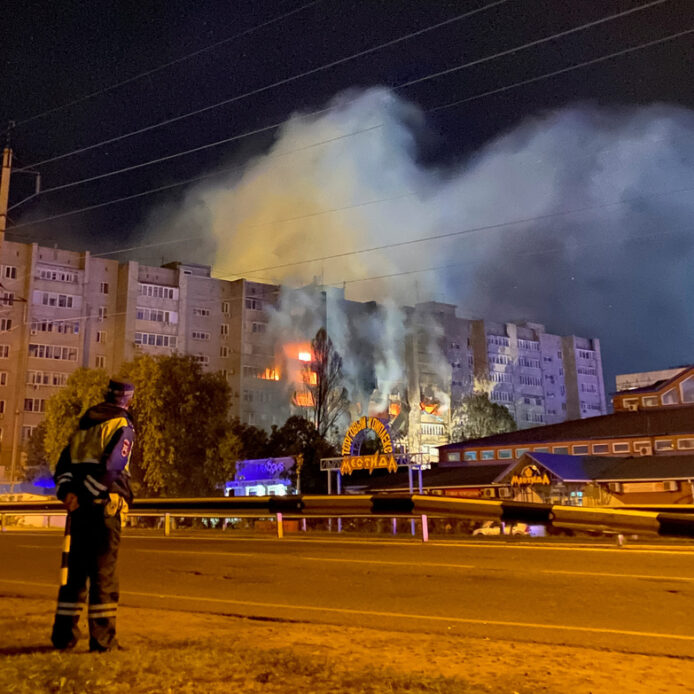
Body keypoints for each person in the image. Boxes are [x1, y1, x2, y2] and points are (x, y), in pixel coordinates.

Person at [51, 378, 135, 652]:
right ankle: (103, 640)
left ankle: (64, 637)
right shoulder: (121, 424)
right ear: (127, 399)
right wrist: (88, 496)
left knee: (74, 575)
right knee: (103, 575)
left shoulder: (83, 424)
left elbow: (63, 463)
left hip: (79, 509)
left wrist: (68, 494)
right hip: (104, 507)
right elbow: (113, 466)